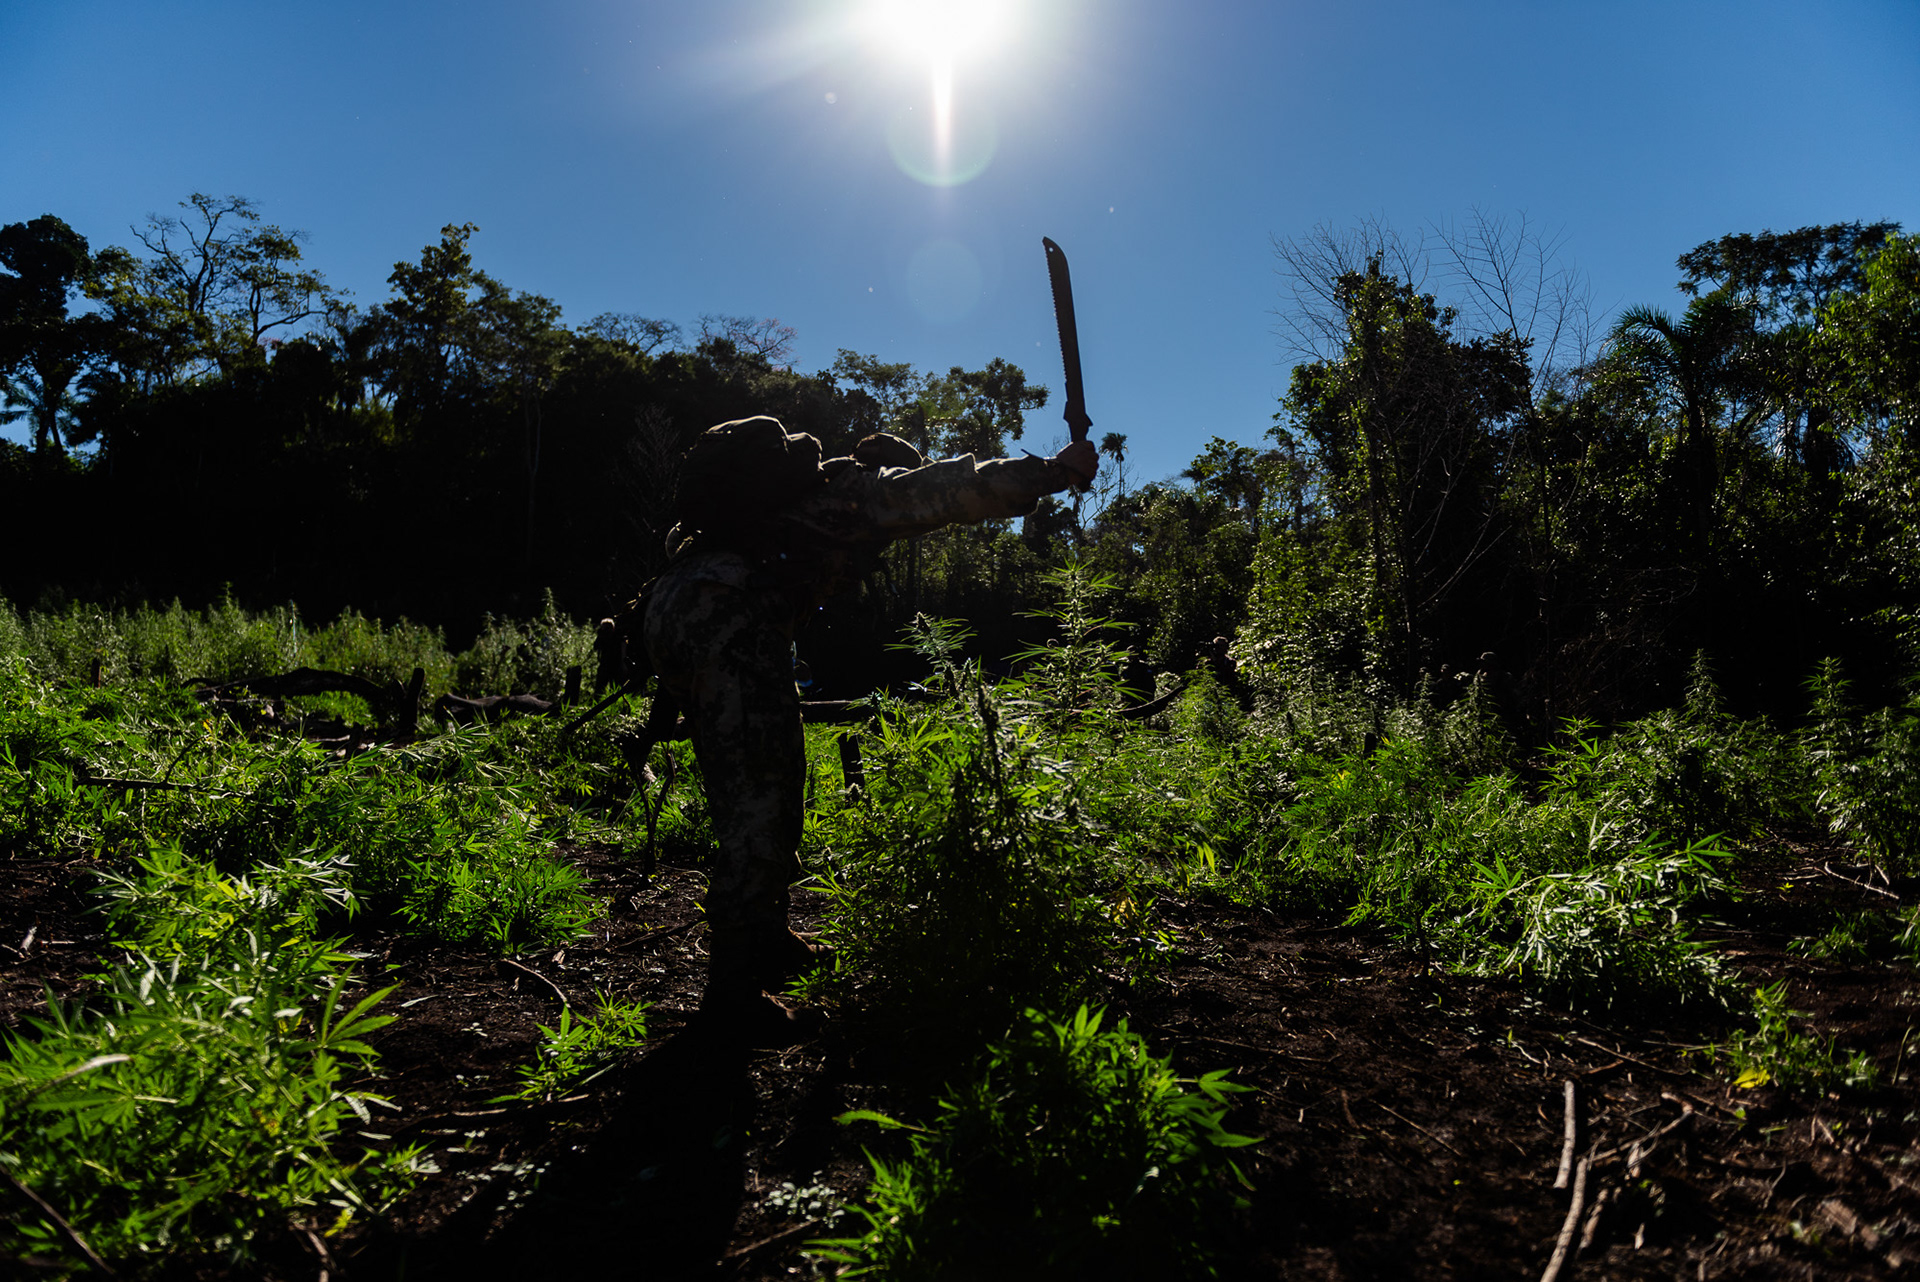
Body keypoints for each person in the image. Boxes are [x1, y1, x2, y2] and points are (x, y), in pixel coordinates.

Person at [643, 416, 1098, 1039]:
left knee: (764, 785)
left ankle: (770, 942)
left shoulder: (781, 507)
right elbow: (957, 487)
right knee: (761, 804)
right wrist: (1055, 472)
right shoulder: (856, 491)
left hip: (681, 610)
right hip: (729, 616)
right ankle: (731, 996)